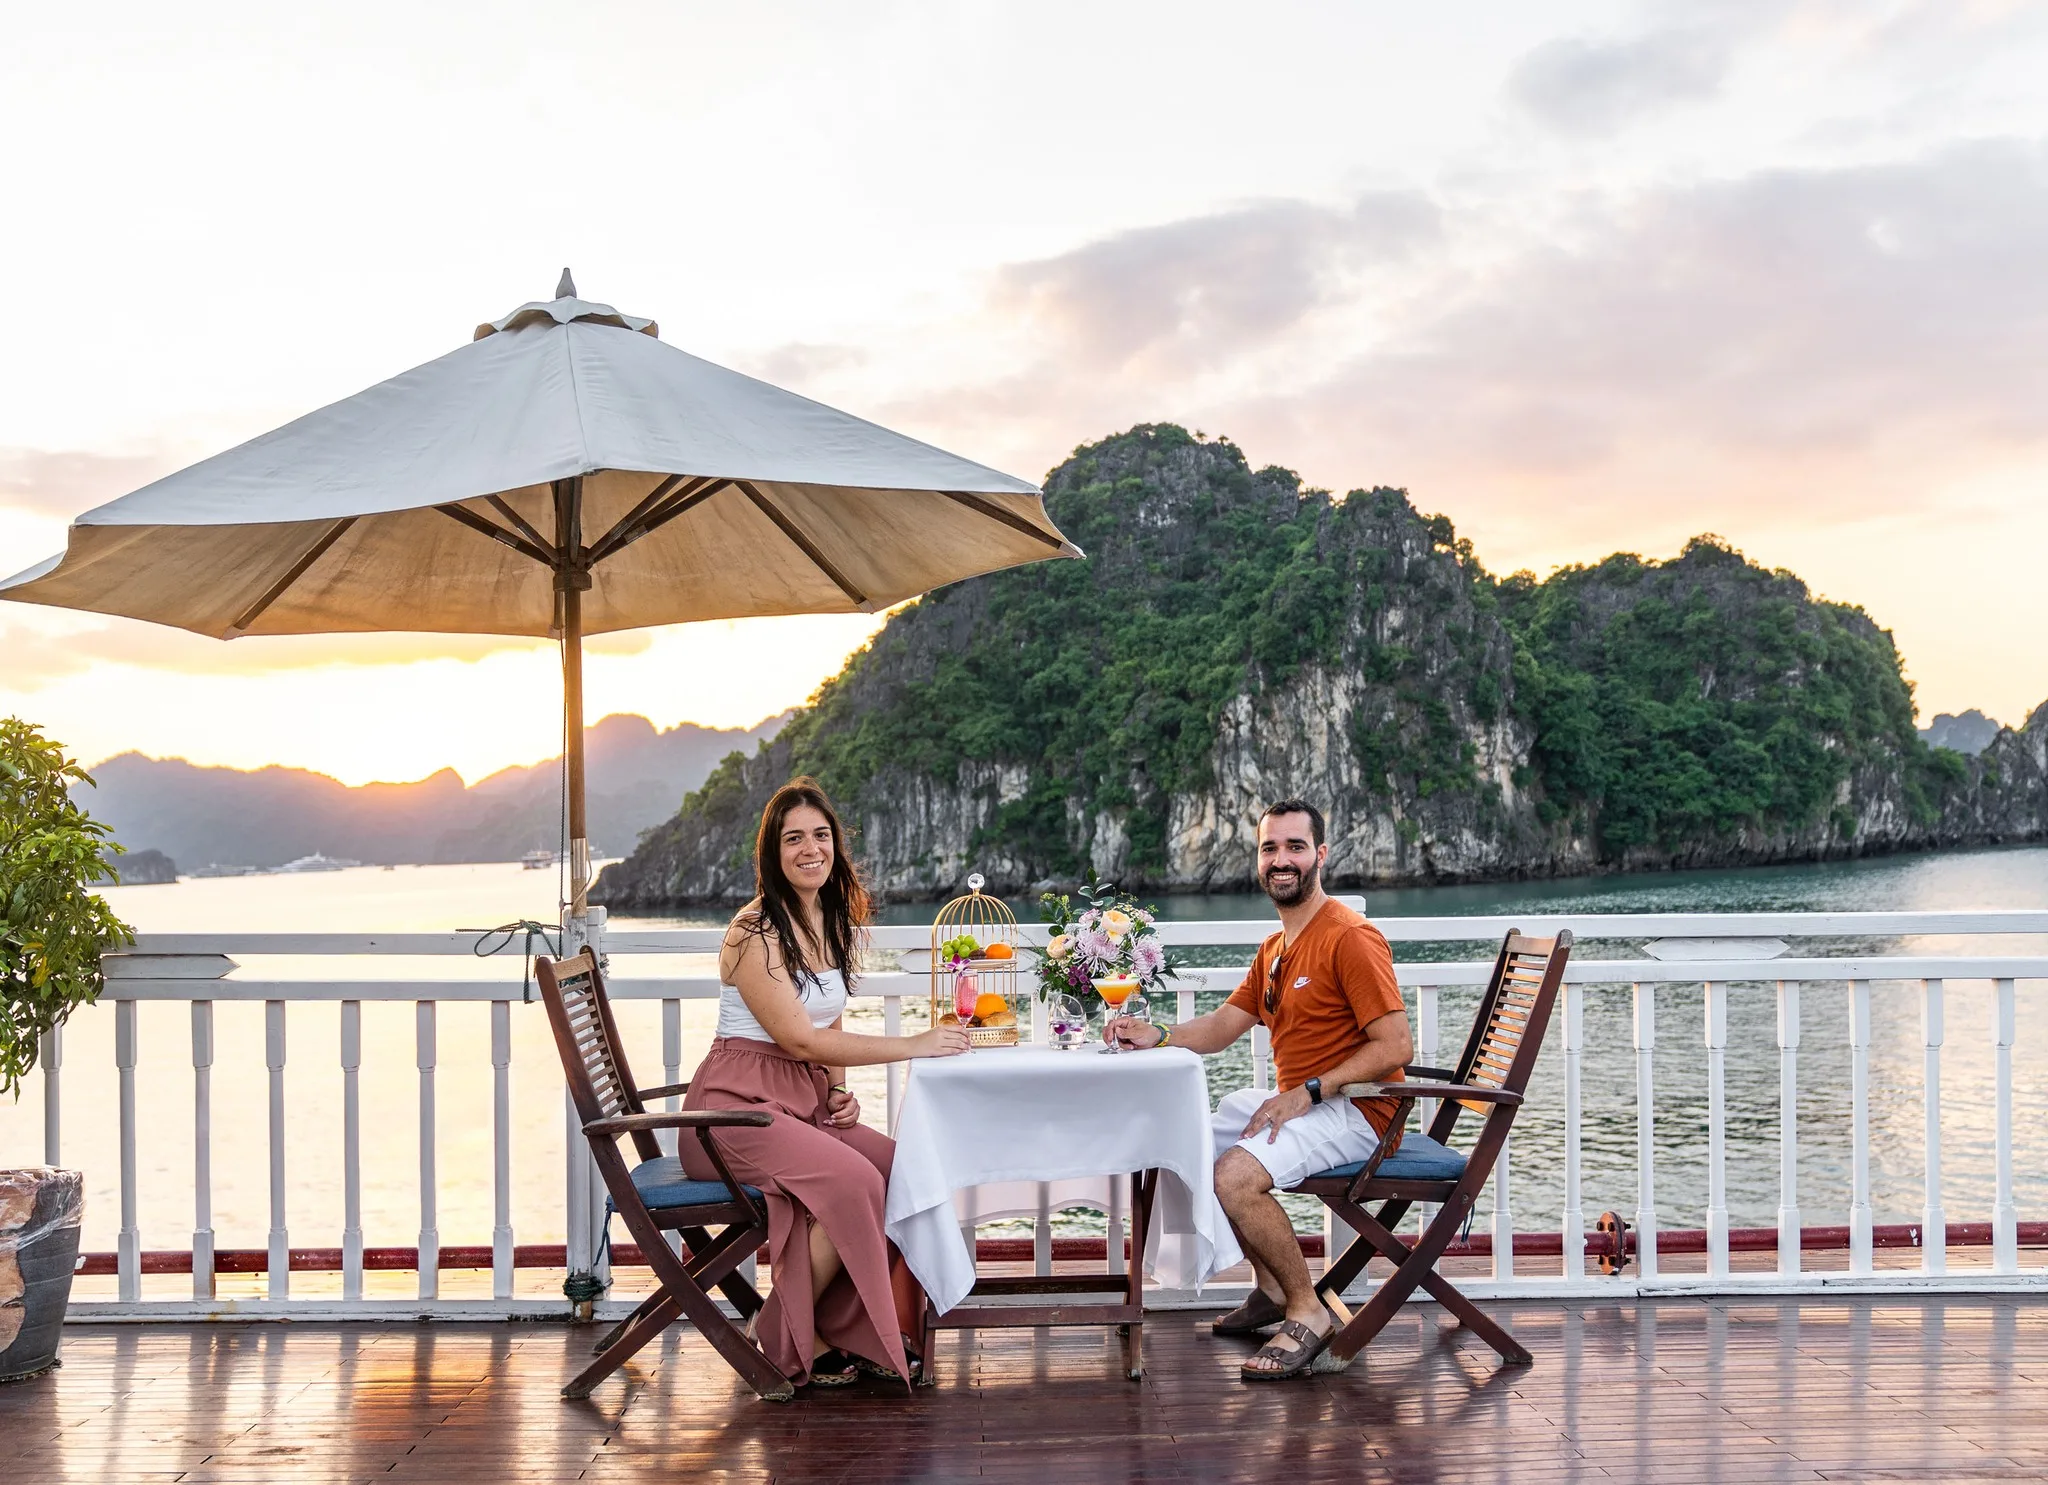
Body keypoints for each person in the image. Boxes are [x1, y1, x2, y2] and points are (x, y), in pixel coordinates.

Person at [1106, 799, 1411, 1381]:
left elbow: (1396, 1045)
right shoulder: (1275, 949)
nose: (1282, 860)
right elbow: (1221, 1028)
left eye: (1295, 847)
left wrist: (1310, 1092)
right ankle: (1271, 1287)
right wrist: (1157, 1033)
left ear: (1320, 855)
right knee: (1187, 1139)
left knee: (1235, 1175)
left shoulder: (1350, 937)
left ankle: (1307, 1310)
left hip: (1359, 1112)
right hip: (1313, 1102)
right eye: (1271, 848)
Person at [679, 778, 970, 1388]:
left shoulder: (825, 916)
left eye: (820, 835)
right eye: (793, 839)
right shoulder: (754, 931)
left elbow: (828, 1016)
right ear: (772, 853)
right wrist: (913, 1045)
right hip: (734, 1113)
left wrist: (836, 1090)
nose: (810, 849)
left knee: (900, 1169)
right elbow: (799, 1040)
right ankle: (781, 1338)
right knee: (855, 1181)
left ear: (836, 844)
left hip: (800, 1101)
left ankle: (840, 1330)